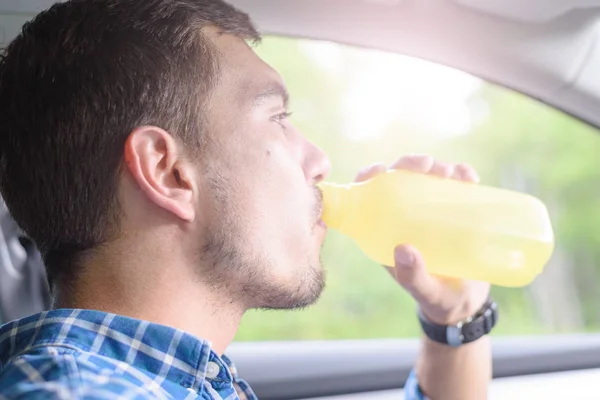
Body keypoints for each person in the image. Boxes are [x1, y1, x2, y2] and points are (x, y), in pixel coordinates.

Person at [0, 0, 495, 399]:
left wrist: (455, 319)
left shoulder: (176, 382)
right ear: (167, 172)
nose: (319, 160)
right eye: (277, 118)